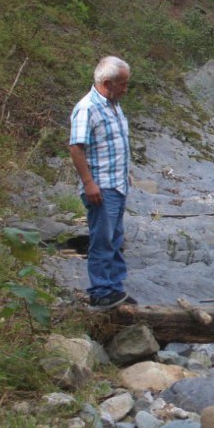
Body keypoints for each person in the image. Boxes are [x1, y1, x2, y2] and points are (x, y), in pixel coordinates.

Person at [69, 56, 135, 310]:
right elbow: (76, 147)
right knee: (102, 239)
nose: (126, 89)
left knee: (116, 238)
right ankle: (100, 291)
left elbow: (113, 142)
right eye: (123, 84)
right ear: (107, 83)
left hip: (117, 183)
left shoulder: (113, 104)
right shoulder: (88, 108)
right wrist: (89, 183)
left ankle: (115, 288)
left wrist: (125, 170)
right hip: (101, 186)